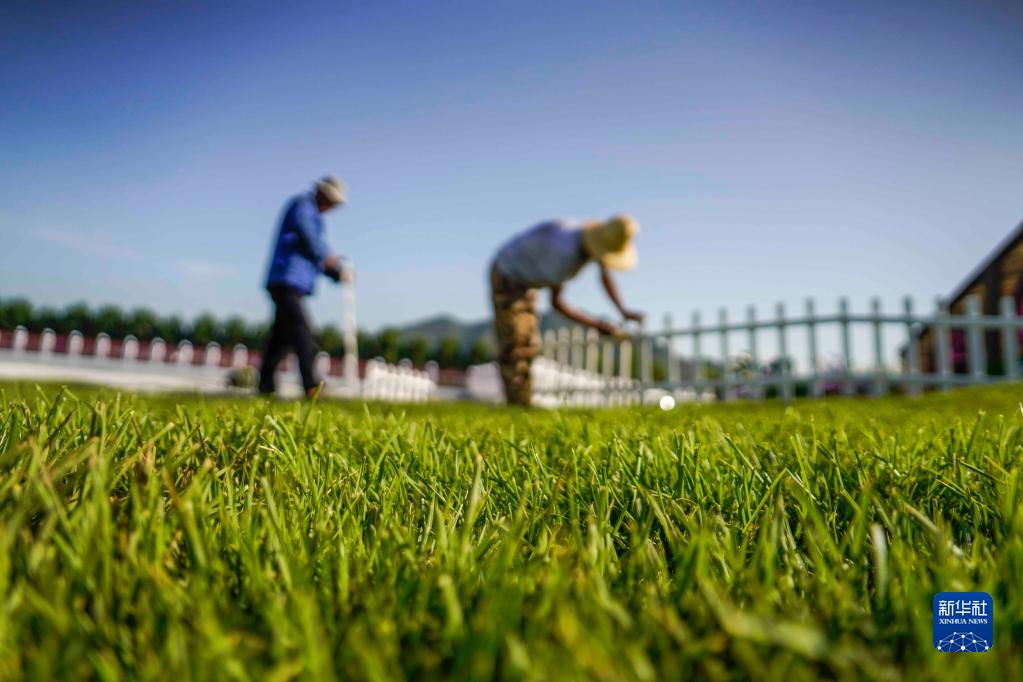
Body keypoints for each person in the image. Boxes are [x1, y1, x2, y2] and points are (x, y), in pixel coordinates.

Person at [489, 215, 645, 406]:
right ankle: (518, 404)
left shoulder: (584, 236)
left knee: (528, 339)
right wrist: (596, 325)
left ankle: (522, 402)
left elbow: (605, 277)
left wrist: (623, 311)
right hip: (508, 272)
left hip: (528, 273)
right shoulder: (563, 255)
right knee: (518, 339)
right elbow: (557, 303)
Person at [259, 176, 351, 397]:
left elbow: (313, 255)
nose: (333, 208)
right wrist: (331, 260)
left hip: (294, 283)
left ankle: (265, 385)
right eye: (332, 202)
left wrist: (333, 272)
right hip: (286, 279)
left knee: (281, 339)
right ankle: (310, 385)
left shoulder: (316, 217)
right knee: (303, 332)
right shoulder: (303, 207)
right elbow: (310, 240)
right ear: (323, 195)